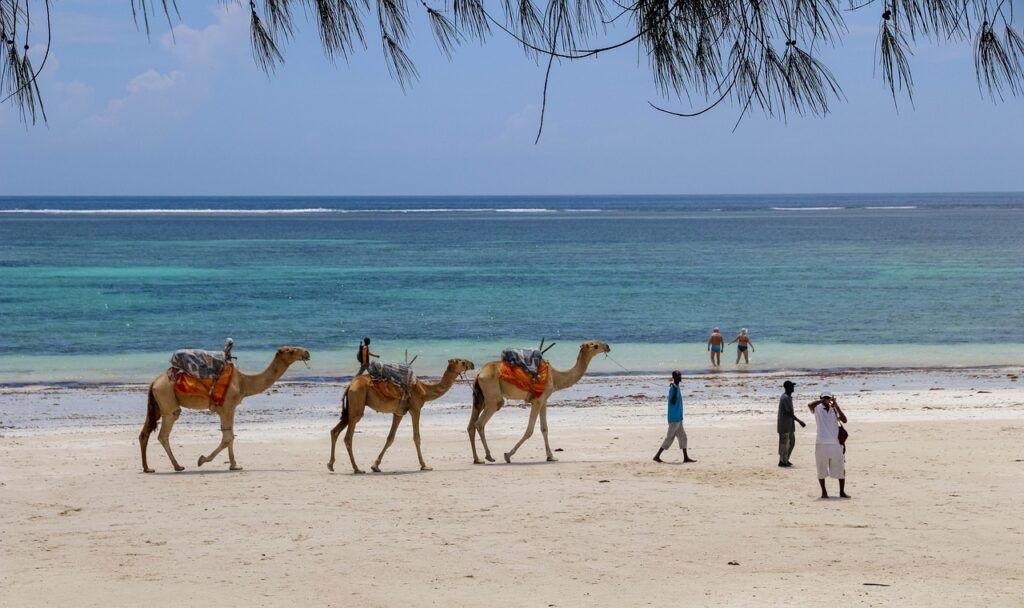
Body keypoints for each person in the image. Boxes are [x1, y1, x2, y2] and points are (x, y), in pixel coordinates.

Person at [808, 391, 849, 498]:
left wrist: (836, 406)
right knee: (821, 468)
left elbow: (844, 420)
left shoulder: (834, 409)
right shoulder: (817, 409)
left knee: (840, 468)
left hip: (835, 443)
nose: (827, 400)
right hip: (821, 443)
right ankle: (824, 492)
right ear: (821, 398)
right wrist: (822, 401)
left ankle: (842, 492)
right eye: (824, 398)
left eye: (828, 398)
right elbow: (810, 405)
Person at [654, 370, 696, 464]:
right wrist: (675, 388)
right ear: (674, 377)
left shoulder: (676, 386)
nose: (680, 377)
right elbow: (672, 401)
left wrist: (676, 387)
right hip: (674, 418)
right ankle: (657, 456)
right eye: (678, 376)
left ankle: (685, 458)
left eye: (680, 375)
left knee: (683, 437)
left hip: (678, 417)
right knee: (669, 438)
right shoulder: (673, 388)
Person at [777, 380, 806, 467]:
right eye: (791, 386)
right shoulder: (785, 398)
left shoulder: (788, 397)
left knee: (791, 442)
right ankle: (782, 461)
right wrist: (799, 421)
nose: (793, 388)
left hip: (789, 425)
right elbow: (789, 412)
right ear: (787, 388)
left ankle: (786, 459)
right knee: (784, 444)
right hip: (784, 425)